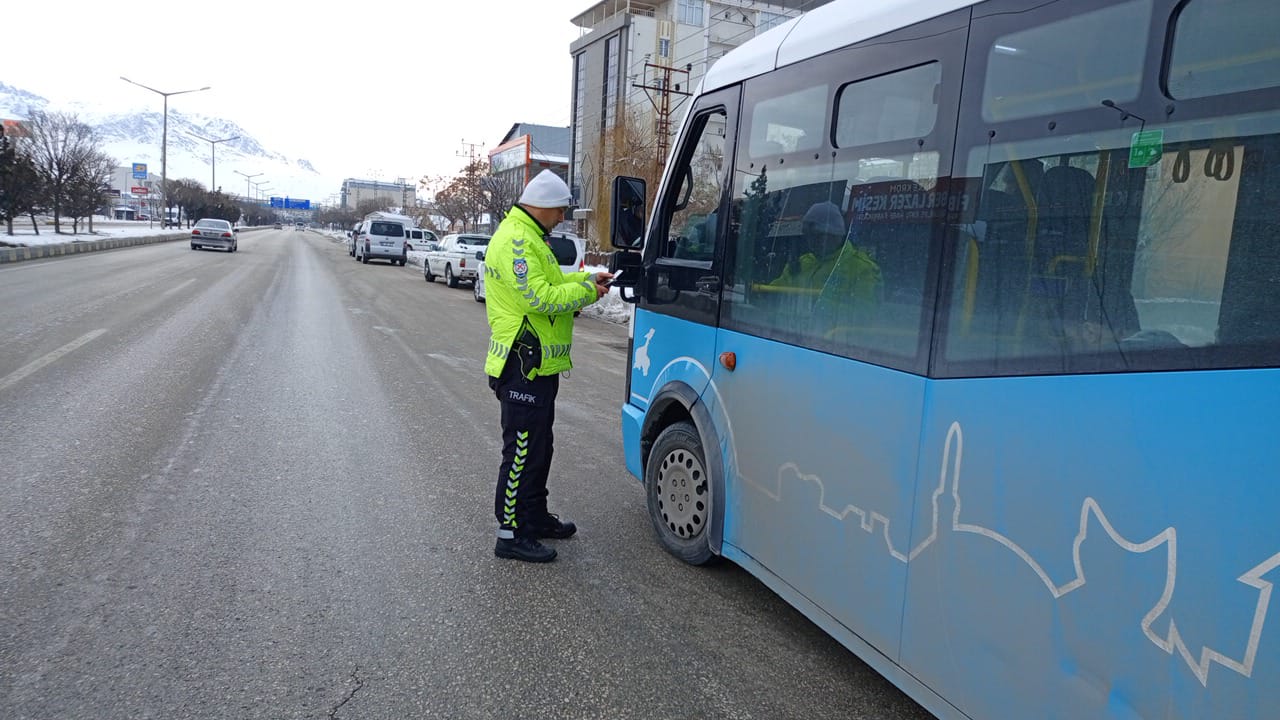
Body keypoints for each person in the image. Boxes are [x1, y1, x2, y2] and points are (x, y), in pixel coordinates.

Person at [483, 170, 612, 563]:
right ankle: (510, 534)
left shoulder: (532, 239)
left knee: (539, 447)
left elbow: (553, 286)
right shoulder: (518, 241)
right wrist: (588, 289)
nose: (561, 218)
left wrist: (587, 280)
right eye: (559, 211)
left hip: (536, 366)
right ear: (541, 205)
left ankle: (534, 517)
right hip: (521, 364)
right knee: (521, 450)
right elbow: (539, 298)